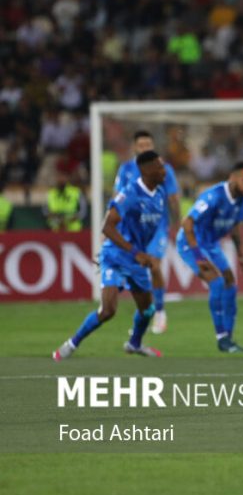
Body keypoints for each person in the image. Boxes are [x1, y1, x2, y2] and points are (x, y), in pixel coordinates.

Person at [52, 151, 168, 360]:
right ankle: (71, 344)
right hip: (116, 257)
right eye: (160, 167)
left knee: (147, 311)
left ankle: (135, 344)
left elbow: (145, 230)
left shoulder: (159, 195)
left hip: (136, 261)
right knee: (108, 310)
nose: (164, 170)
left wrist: (143, 255)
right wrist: (133, 252)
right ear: (147, 170)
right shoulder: (129, 193)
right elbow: (107, 226)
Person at [177, 162, 243, 353]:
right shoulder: (213, 196)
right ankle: (221, 338)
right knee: (217, 283)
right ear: (233, 177)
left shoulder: (241, 199)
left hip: (211, 243)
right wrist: (197, 256)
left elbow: (235, 227)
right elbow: (187, 223)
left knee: (230, 282)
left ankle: (228, 337)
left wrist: (242, 256)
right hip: (191, 242)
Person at [115, 130, 181, 335]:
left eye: (148, 145)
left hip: (157, 226)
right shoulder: (125, 169)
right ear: (135, 147)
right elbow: (118, 198)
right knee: (135, 272)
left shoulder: (164, 169)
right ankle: (145, 315)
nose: (145, 148)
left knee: (153, 264)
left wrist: (178, 222)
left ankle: (160, 312)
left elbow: (173, 197)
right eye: (141, 145)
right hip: (133, 230)